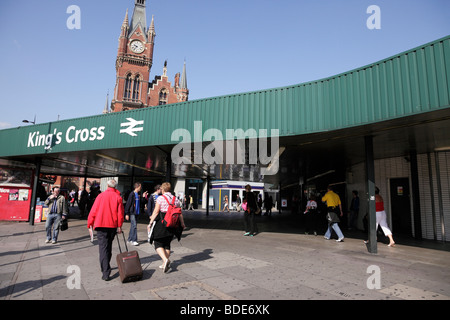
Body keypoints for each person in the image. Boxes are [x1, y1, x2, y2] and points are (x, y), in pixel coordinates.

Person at [87, 179, 124, 281]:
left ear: (107, 185)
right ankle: (105, 266)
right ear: (115, 186)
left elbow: (93, 211)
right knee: (108, 247)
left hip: (100, 224)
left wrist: (90, 223)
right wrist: (119, 226)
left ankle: (105, 271)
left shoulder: (100, 196)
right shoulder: (118, 197)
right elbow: (120, 214)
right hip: (112, 226)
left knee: (103, 248)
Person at [148, 182, 186, 273]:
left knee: (157, 242)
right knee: (167, 244)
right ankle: (164, 262)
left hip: (162, 223)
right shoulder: (175, 199)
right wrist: (182, 224)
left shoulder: (160, 198)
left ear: (163, 189)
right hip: (172, 224)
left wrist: (150, 222)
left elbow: (156, 212)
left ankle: (165, 260)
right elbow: (179, 213)